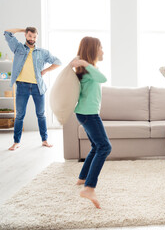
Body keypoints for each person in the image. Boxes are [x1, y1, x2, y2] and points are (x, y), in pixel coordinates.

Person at [70, 36, 111, 209]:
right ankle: (89, 187)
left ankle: (82, 178)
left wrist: (84, 64)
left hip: (85, 113)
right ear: (93, 50)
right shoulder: (87, 70)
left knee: (96, 147)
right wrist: (85, 64)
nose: (103, 51)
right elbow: (103, 79)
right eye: (101, 47)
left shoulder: (87, 69)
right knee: (105, 147)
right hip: (89, 114)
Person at [4, 27, 61, 151]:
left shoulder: (42, 52)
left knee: (41, 114)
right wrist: (21, 29)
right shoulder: (18, 48)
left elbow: (58, 62)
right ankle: (16, 142)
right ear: (26, 35)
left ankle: (44, 140)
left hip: (37, 87)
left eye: (34, 37)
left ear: (37, 37)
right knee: (19, 115)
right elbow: (7, 33)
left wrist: (45, 70)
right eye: (29, 36)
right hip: (22, 86)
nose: (32, 39)